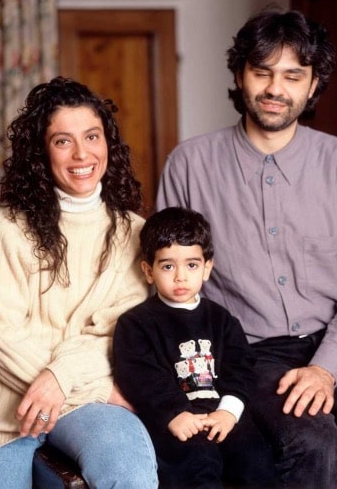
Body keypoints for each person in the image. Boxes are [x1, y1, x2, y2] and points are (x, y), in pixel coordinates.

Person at [156, 8, 337, 488]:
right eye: (262, 71)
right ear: (239, 75)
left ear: (312, 86)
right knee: (315, 443)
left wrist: (325, 369)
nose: (276, 89)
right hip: (250, 354)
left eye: (294, 76)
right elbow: (174, 290)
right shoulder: (190, 164)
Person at [0, 76, 158, 489]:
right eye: (62, 141)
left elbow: (119, 333)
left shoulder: (135, 234)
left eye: (92, 136)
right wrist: (84, 385)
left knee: (130, 473)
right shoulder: (7, 226)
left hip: (88, 404)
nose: (82, 153)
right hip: (1, 411)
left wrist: (61, 378)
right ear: (41, 152)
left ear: (109, 144)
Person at [113, 206, 274, 488]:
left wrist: (229, 412)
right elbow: (140, 377)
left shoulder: (221, 319)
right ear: (148, 271)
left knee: (256, 460)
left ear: (207, 267)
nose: (180, 276)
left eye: (191, 265)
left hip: (220, 413)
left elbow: (241, 368)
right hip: (174, 419)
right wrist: (173, 413)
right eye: (167, 266)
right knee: (196, 465)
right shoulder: (136, 323)